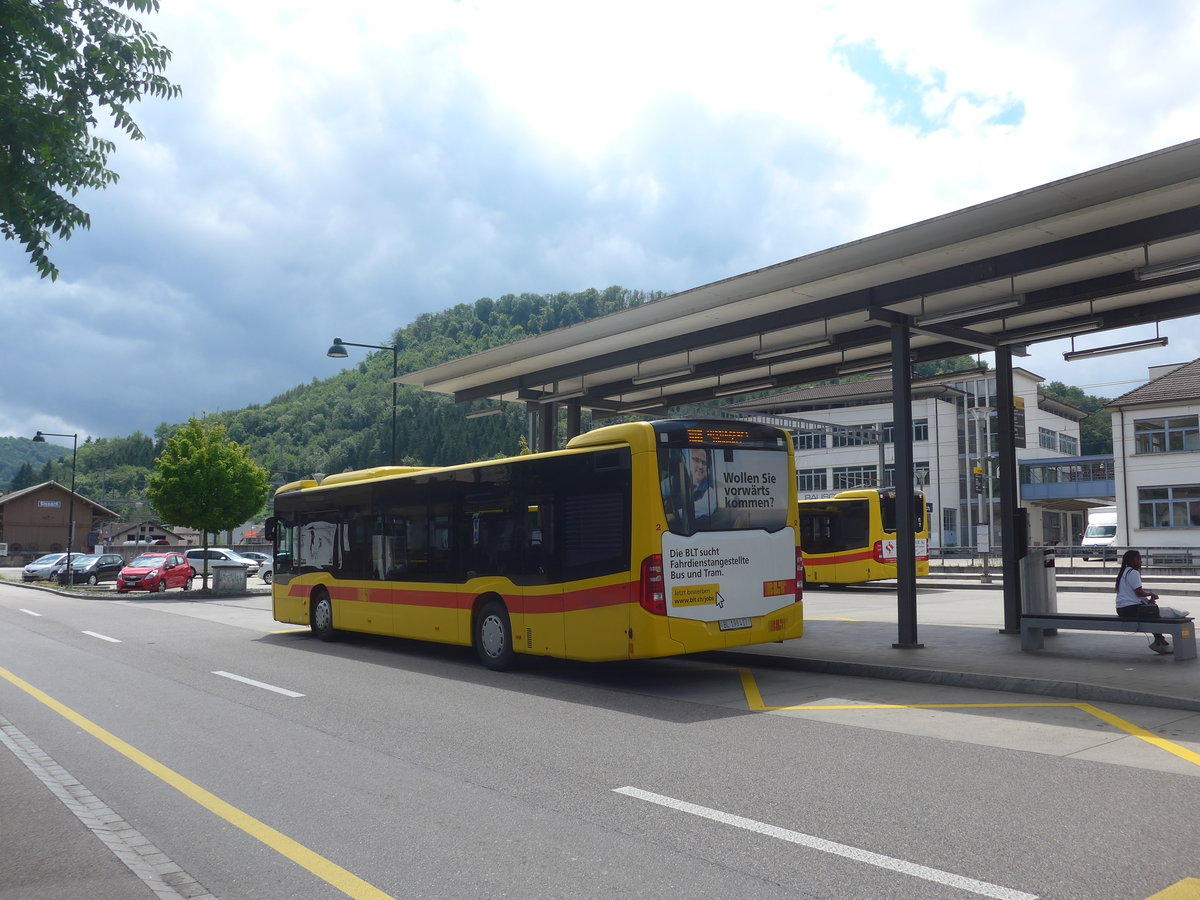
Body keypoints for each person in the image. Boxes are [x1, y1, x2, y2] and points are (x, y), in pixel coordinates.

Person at [1114, 549, 1170, 654]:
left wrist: (1148, 601)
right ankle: (1159, 640)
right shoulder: (1133, 573)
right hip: (1130, 609)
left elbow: (1133, 595)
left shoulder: (1124, 572)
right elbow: (1139, 592)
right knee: (1154, 613)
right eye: (1138, 559)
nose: (1141, 561)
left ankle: (1159, 640)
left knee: (1151, 610)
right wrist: (1151, 594)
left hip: (1122, 609)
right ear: (1131, 560)